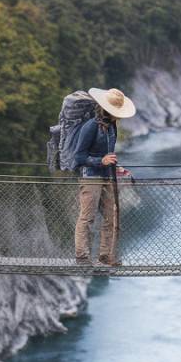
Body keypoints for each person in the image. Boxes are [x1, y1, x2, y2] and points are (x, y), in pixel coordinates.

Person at [73, 87, 137, 266]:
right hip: (91, 177)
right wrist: (101, 161)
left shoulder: (112, 127)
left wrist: (118, 167)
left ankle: (105, 255)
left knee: (111, 216)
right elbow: (79, 157)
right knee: (87, 217)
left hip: (108, 176)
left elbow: (109, 155)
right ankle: (82, 257)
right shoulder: (91, 127)